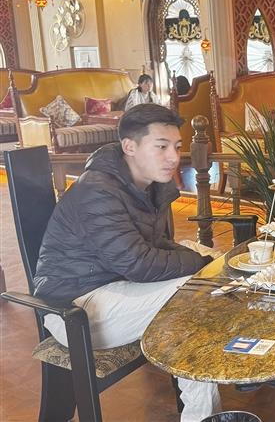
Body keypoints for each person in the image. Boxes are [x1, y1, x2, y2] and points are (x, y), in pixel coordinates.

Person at [34, 103, 221, 421]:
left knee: (193, 310)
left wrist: (204, 259)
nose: (173, 157)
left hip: (117, 287)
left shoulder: (148, 184)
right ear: (129, 147)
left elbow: (155, 244)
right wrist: (200, 262)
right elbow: (140, 264)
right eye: (161, 147)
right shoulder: (97, 191)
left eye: (177, 147)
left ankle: (204, 413)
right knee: (195, 292)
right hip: (76, 310)